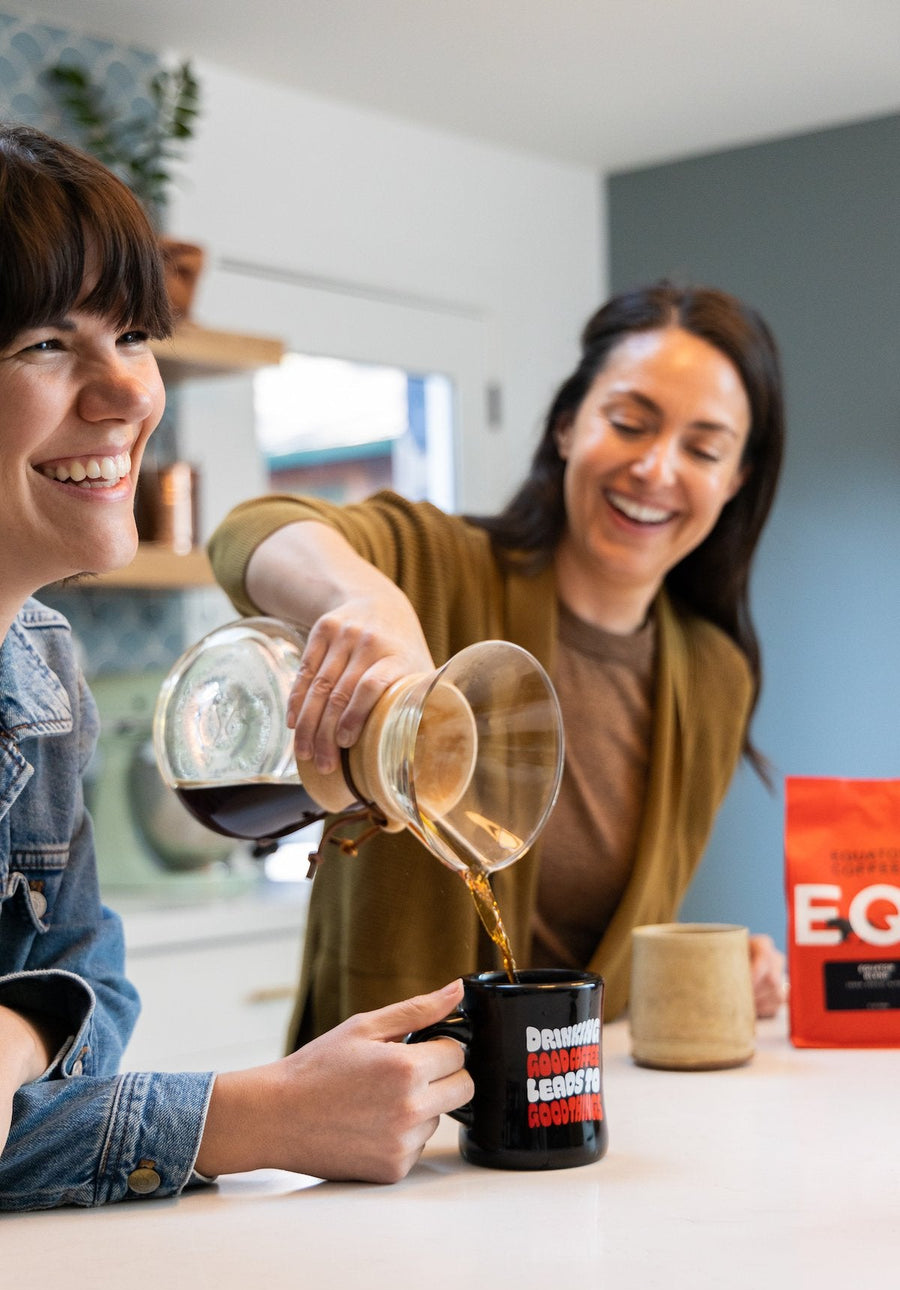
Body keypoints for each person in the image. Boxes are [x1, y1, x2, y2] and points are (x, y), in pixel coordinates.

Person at [0, 124, 471, 1212]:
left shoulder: (41, 671)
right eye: (44, 345)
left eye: (134, 335)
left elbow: (95, 980)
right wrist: (257, 1115)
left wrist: (19, 1028)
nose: (125, 396)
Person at [208, 281, 788, 1048]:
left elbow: (608, 949)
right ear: (566, 427)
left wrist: (704, 965)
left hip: (578, 1106)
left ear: (735, 480)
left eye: (702, 448)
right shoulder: (439, 569)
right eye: (628, 423)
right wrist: (369, 604)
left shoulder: (714, 676)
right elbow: (251, 531)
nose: (655, 468)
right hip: (385, 1109)